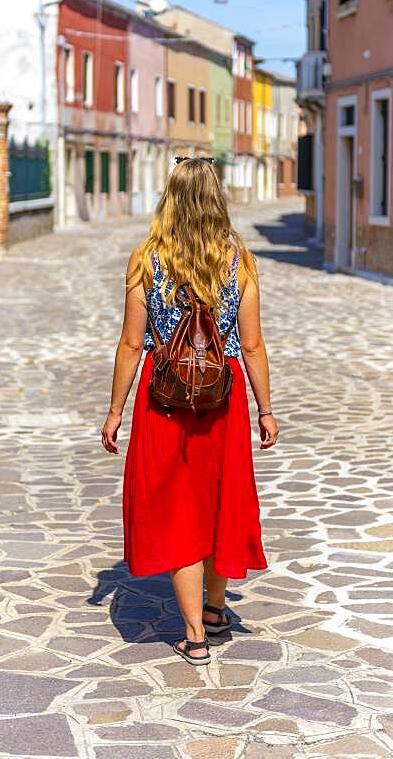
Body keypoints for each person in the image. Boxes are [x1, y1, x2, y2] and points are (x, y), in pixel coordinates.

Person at [101, 157, 279, 664]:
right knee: (219, 501)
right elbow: (252, 345)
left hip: (164, 403)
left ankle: (195, 633)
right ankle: (218, 608)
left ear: (169, 197)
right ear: (217, 197)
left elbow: (132, 344)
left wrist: (115, 410)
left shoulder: (147, 259)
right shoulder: (237, 260)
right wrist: (266, 410)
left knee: (177, 509)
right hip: (222, 401)